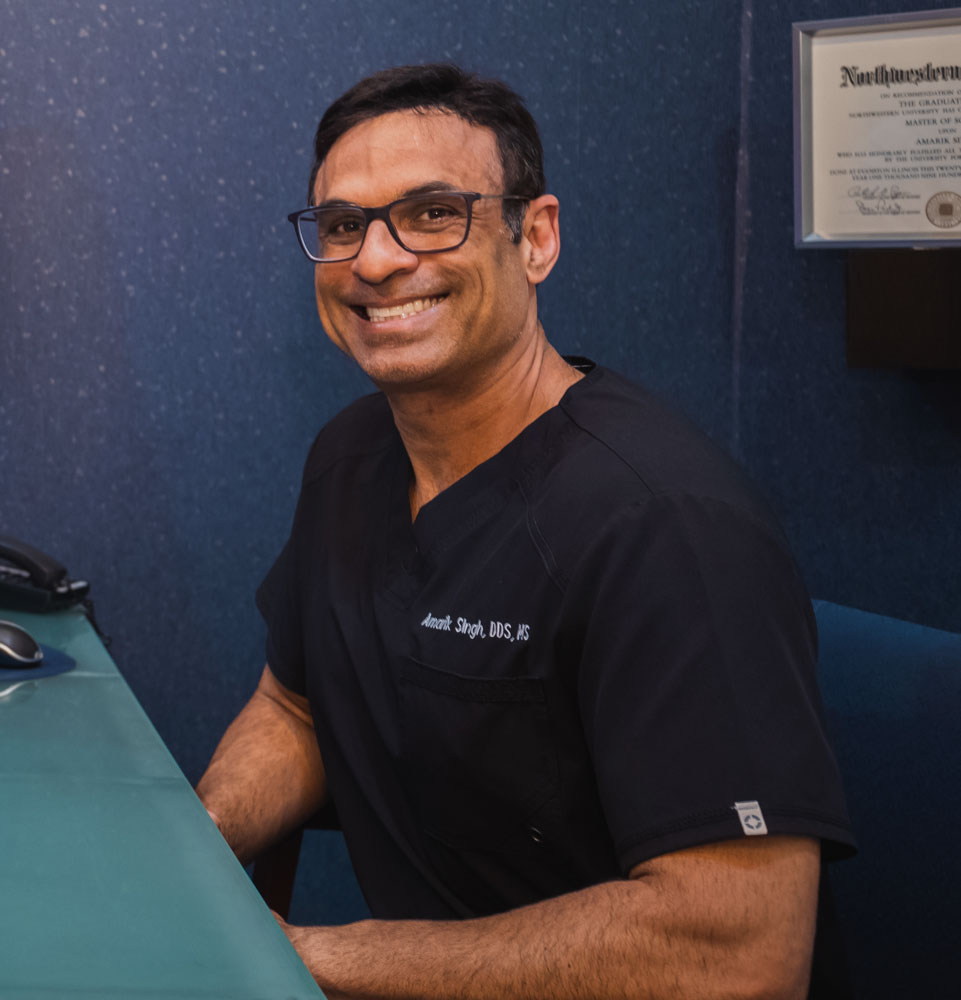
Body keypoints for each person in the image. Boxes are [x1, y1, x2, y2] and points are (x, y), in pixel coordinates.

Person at [197, 63, 854, 999]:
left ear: (535, 236)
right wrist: (190, 847)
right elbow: (297, 709)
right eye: (343, 225)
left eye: (432, 213)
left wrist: (309, 957)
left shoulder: (662, 523)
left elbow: (737, 955)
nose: (375, 261)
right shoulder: (349, 457)